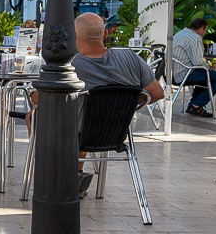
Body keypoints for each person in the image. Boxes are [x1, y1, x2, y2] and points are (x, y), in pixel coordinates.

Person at [70, 13, 164, 196]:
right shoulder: (130, 58)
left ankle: (58, 176)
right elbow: (157, 92)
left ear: (74, 36)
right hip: (116, 133)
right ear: (105, 34)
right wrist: (126, 105)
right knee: (81, 119)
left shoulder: (72, 65)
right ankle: (76, 176)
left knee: (34, 115)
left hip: (79, 134)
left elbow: (38, 99)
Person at [171, 17, 216, 117]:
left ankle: (194, 105)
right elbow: (198, 62)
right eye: (205, 30)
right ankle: (196, 105)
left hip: (172, 74)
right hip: (184, 74)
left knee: (205, 76)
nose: (204, 34)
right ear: (201, 29)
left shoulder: (179, 33)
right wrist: (208, 68)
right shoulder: (195, 38)